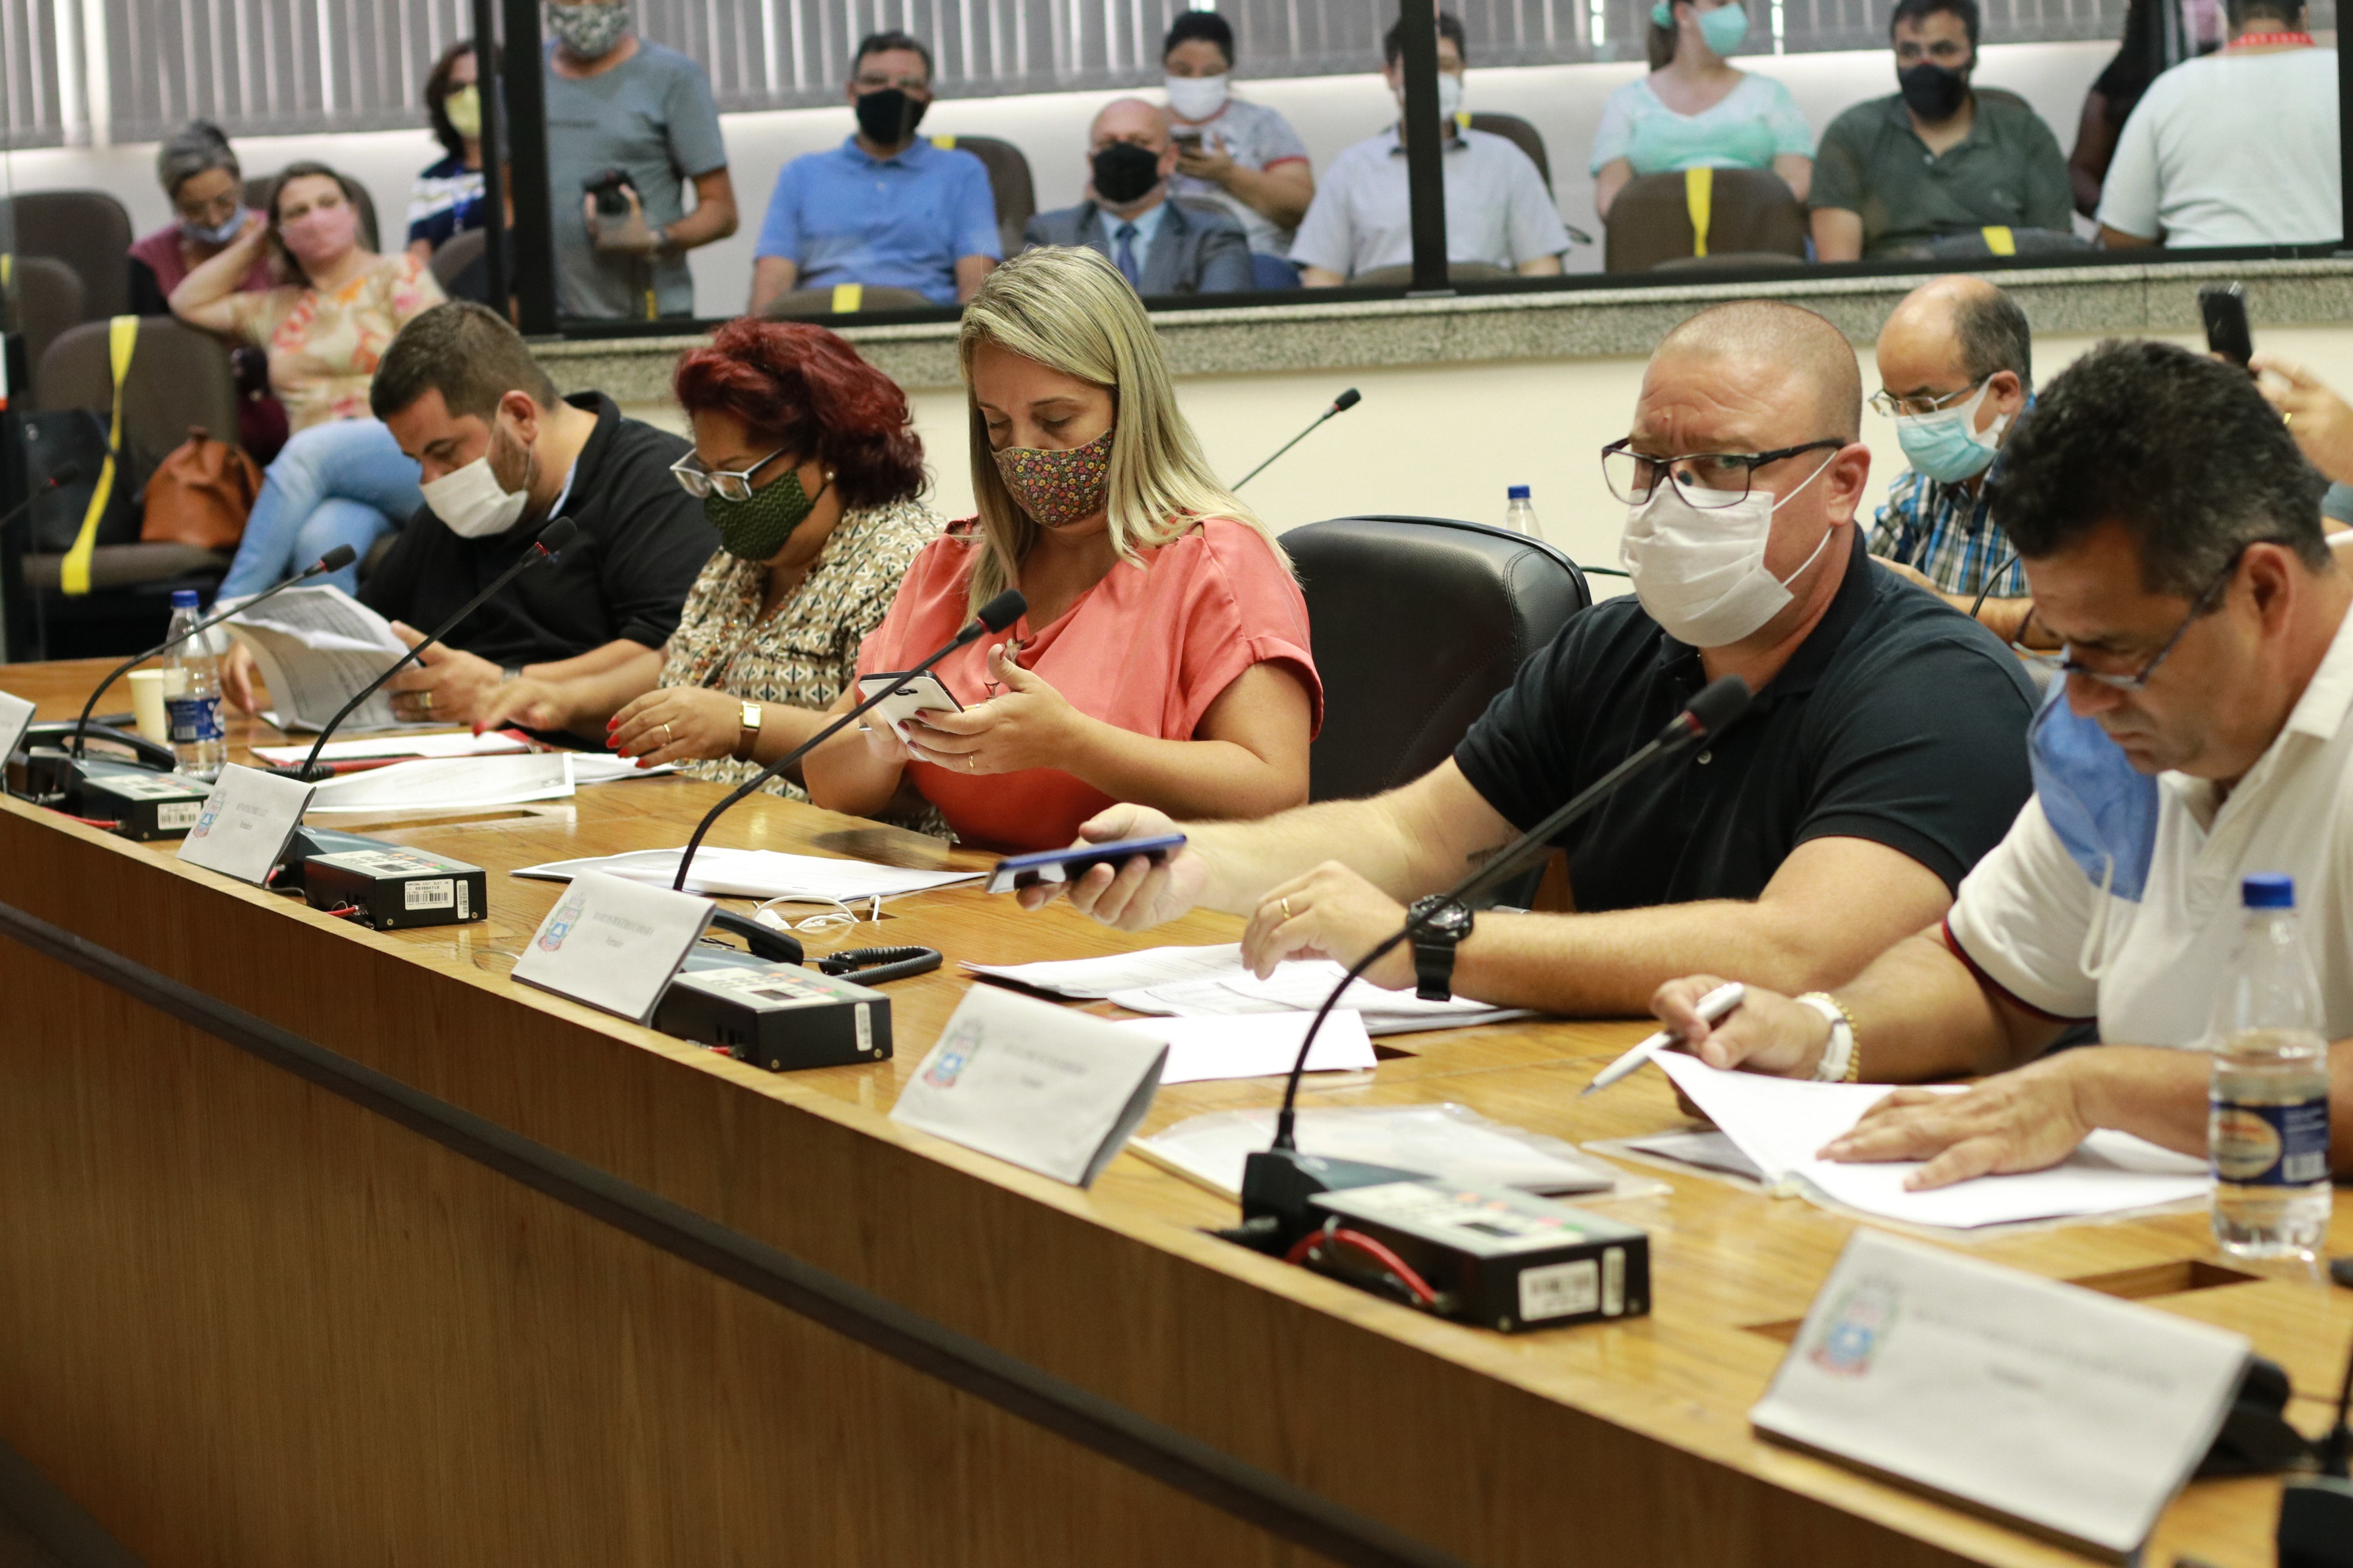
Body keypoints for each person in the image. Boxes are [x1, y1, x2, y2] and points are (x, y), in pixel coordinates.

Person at [1032, 301, 2039, 1018]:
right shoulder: (1615, 646)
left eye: (1720, 468)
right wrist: (1197, 862)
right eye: (1650, 465)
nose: (1671, 500)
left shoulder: (1937, 688)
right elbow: (1414, 832)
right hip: (1618, 1092)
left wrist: (1431, 944)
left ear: (1842, 483)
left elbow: (1797, 950)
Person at [1649, 340, 2353, 1188]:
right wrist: (1818, 1034)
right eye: (2065, 648)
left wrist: (2096, 1089)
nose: (2079, 699)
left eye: (2112, 652)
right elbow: (1985, 976)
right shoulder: (2118, 736)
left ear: (2264, 591)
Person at [801, 246, 1319, 851]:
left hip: (1148, 902)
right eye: (997, 425)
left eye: (1055, 421)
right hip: (977, 898)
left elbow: (1275, 790)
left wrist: (1072, 743)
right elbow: (827, 781)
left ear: (1131, 404)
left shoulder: (1218, 563)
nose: (1024, 451)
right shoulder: (954, 564)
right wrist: (878, 743)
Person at [472, 317, 941, 794]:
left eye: (737, 477)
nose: (720, 501)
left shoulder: (905, 564)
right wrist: (563, 700)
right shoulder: (741, 561)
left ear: (829, 452)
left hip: (811, 838)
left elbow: (898, 763)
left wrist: (746, 725)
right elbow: (682, 664)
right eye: (707, 476)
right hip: (691, 821)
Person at [221, 303, 715, 727]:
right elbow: (373, 625)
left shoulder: (657, 482)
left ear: (519, 416)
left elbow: (672, 655)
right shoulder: (457, 508)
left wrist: (505, 684)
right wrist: (286, 645)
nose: (431, 481)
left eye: (445, 453)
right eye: (417, 460)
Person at [170, 162, 445, 597]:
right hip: (327, 483)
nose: (316, 218)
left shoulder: (399, 274)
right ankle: (338, 645)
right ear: (281, 232)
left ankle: (227, 612)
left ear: (352, 212)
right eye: (297, 213)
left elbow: (444, 372)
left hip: (408, 454)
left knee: (308, 449)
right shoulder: (276, 308)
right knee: (319, 547)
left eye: (328, 204)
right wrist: (257, 242)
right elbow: (186, 302)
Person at [1289, 11, 1570, 286]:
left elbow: (1541, 268)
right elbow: (1322, 279)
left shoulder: (1507, 161)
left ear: (1463, 71)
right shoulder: (1351, 169)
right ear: (1390, 75)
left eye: (1446, 66)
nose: (1433, 78)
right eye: (1418, 65)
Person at [751, 31, 1001, 312]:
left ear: (927, 99)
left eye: (908, 83)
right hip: (818, 328)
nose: (891, 91)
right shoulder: (800, 175)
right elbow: (772, 284)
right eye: (875, 81)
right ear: (851, 92)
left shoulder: (963, 172)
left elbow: (976, 282)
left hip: (921, 327)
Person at [1867, 275, 2052, 648]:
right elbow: (1864, 594)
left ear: (2003, 392)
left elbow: (2090, 623)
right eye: (1895, 403)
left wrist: (1936, 607)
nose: (1907, 422)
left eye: (1924, 405)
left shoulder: (2088, 479)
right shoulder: (1920, 487)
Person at [1810, 0, 2073, 262]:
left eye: (1943, 50)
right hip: (1892, 283)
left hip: (1999, 280)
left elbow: (2055, 256)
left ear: (1973, 56)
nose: (1925, 64)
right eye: (1910, 52)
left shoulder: (2026, 135)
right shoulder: (1851, 135)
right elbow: (1839, 271)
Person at [543, 0, 737, 320]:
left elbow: (723, 213)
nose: (587, 6)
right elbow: (509, 201)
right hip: (551, 316)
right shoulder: (523, 75)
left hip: (651, 314)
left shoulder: (674, 77)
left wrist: (654, 238)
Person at [2096, 0, 2340, 250]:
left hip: (2203, 271)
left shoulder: (2172, 88)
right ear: (2305, 17)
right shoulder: (2342, 75)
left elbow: (2121, 234)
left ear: (2224, 23)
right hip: (2337, 271)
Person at [1590, 0, 1813, 222]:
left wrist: (1737, 222)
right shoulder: (1627, 102)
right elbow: (1611, 200)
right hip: (1658, 238)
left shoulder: (1770, 94)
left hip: (1756, 235)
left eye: (1738, 6)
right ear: (1683, 13)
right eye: (1722, 4)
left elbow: (1798, 182)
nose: (1734, 15)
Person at [1024, 100, 1251, 296]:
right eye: (1109, 144)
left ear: (1169, 159)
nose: (1123, 155)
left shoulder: (1213, 236)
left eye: (1140, 142)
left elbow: (1223, 324)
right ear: (1091, 162)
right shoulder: (1050, 237)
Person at [1159, 10, 1316, 284]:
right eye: (1183, 70)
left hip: (1255, 257)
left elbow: (1302, 206)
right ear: (1165, 65)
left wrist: (1229, 174)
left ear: (1229, 69)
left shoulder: (1263, 124)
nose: (1196, 80)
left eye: (1210, 72)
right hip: (1166, 261)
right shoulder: (1142, 126)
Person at [127, 122, 275, 317]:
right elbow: (151, 332)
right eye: (194, 209)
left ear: (239, 184)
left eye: (224, 201)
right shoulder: (150, 258)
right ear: (173, 202)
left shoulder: (279, 233)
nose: (214, 220)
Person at [2066, 0, 2194, 219]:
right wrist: (2114, 218)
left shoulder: (2226, 72)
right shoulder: (2122, 77)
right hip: (2139, 223)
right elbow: (2081, 171)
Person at [407, 39, 490, 262]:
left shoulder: (532, 168)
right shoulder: (429, 181)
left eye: (482, 85)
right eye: (457, 88)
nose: (470, 96)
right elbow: (418, 268)